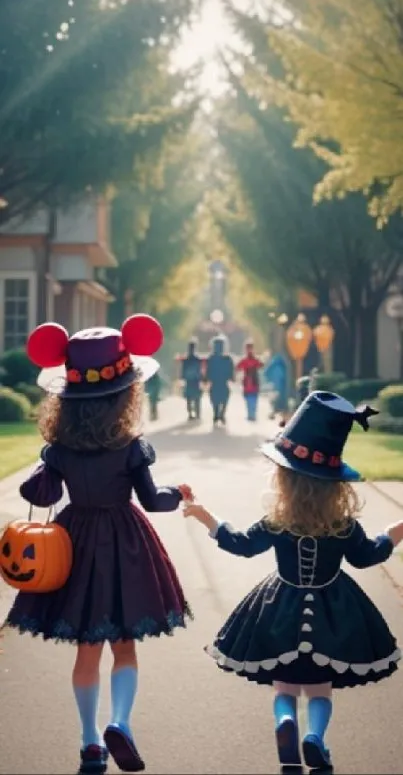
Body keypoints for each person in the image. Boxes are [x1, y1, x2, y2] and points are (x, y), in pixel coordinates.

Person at [3, 315, 194, 775]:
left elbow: (40, 495)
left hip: (74, 544)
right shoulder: (130, 446)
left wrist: (47, 462)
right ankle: (121, 724)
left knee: (86, 649)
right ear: (126, 393)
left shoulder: (60, 446)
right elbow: (151, 500)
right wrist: (179, 493)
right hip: (126, 544)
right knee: (124, 645)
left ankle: (90, 743)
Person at [183, 391, 403, 773]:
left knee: (284, 686)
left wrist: (207, 517)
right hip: (335, 614)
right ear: (336, 485)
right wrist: (395, 532)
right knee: (320, 689)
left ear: (284, 478)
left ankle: (285, 722)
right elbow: (367, 556)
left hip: (278, 611)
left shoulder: (277, 521)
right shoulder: (343, 525)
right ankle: (314, 737)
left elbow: (242, 545)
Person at [205, 334, 234, 426]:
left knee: (215, 399)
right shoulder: (227, 359)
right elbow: (231, 371)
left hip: (215, 382)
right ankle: (220, 414)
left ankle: (217, 414)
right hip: (222, 382)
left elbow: (208, 371)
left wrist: (206, 378)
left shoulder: (211, 358)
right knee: (223, 398)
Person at [236, 339, 264, 422]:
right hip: (247, 382)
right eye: (248, 348)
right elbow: (238, 367)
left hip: (254, 381)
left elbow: (261, 365)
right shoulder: (244, 360)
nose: (249, 350)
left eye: (250, 348)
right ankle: (250, 414)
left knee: (254, 398)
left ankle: (253, 414)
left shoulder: (255, 360)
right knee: (248, 399)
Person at [263, 352, 290, 423]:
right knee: (282, 401)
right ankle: (282, 416)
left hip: (275, 386)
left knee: (276, 400)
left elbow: (266, 372)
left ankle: (276, 414)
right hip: (281, 386)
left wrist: (268, 380)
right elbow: (285, 376)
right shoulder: (282, 365)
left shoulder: (274, 363)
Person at [181, 337, 203, 421]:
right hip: (196, 380)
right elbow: (200, 370)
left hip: (189, 380)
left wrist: (182, 377)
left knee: (189, 398)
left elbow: (183, 371)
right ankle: (197, 414)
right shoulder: (197, 359)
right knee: (196, 398)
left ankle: (190, 414)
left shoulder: (186, 359)